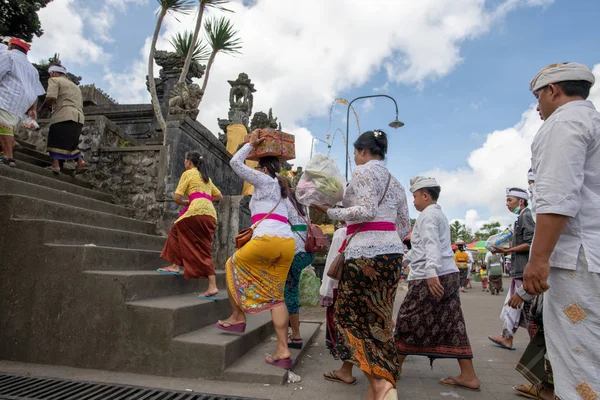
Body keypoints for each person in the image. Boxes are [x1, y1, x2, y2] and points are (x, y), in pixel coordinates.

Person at [525, 62, 599, 399]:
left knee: (579, 362)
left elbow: (557, 196)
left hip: (578, 259)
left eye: (538, 98)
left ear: (552, 90)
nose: (538, 108)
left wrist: (538, 258)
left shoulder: (564, 122)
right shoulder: (592, 121)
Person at [318, 130, 410, 400]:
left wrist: (333, 212)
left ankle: (382, 386)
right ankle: (380, 387)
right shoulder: (395, 182)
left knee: (348, 318)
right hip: (392, 255)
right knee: (379, 321)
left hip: (365, 254)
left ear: (362, 151)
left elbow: (367, 210)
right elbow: (404, 225)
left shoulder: (362, 171)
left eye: (356, 153)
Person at [217, 132, 296, 370]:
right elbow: (293, 220)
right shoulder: (283, 193)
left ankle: (238, 317)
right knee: (276, 297)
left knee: (231, 265)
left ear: (262, 169)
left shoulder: (264, 181)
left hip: (268, 239)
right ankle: (283, 350)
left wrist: (249, 144)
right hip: (287, 243)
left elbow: (234, 163)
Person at [395, 176, 480, 392]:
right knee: (453, 321)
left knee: (407, 318)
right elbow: (421, 248)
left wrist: (432, 272)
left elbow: (431, 245)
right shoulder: (437, 214)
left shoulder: (428, 216)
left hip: (430, 276)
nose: (413, 201)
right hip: (448, 273)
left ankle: (395, 367)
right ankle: (468, 375)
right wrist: (401, 262)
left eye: (414, 196)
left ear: (425, 195)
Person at [158, 151, 223, 298]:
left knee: (175, 231)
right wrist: (203, 197)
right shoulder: (206, 177)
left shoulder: (188, 174)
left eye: (185, 160)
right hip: (210, 215)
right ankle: (212, 286)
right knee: (204, 248)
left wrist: (187, 201)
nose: (184, 162)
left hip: (196, 211)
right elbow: (219, 196)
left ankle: (175, 266)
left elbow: (176, 197)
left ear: (188, 162)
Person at [488, 188, 535, 350]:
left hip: (524, 271)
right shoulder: (521, 217)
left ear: (520, 201)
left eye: (510, 200)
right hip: (519, 270)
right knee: (514, 307)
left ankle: (537, 346)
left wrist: (506, 251)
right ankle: (507, 338)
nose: (507, 204)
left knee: (525, 308)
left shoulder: (526, 216)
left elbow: (530, 243)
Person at [320, 223, 357, 386]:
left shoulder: (343, 232)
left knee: (346, 329)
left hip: (342, 288)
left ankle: (349, 370)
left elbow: (333, 263)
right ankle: (347, 369)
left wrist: (326, 290)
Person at [0, 38, 45, 167]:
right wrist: (32, 109)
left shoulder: (8, 56)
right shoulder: (32, 69)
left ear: (11, 45)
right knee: (7, 125)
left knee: (3, 126)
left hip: (7, 96)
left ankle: (8, 157)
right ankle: (11, 142)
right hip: (23, 102)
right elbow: (36, 91)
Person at [37, 65, 86, 174]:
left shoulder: (54, 80)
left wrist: (42, 108)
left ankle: (56, 165)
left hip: (63, 114)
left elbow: (51, 97)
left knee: (55, 139)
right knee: (71, 142)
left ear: (54, 73)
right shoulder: (75, 87)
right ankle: (80, 161)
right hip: (79, 117)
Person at [284, 186, 316, 349]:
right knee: (291, 290)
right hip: (307, 253)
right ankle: (292, 330)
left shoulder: (285, 203)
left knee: (289, 292)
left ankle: (295, 335)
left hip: (294, 252)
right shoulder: (304, 207)